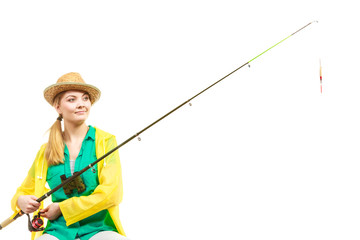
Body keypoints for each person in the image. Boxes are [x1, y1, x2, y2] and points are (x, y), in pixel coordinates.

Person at [10, 72, 128, 240]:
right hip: (58, 231)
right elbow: (25, 190)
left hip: (99, 229)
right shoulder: (45, 151)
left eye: (85, 98)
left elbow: (112, 193)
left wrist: (63, 208)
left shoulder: (106, 141)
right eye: (72, 99)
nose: (81, 104)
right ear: (58, 107)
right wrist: (20, 201)